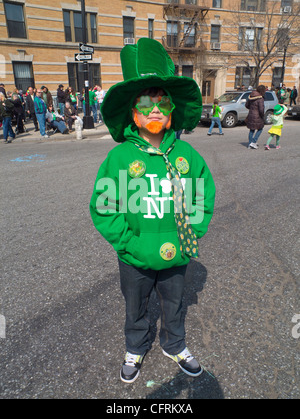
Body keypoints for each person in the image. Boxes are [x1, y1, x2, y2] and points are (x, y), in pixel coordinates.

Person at [90, 38, 216, 384]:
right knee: (136, 306)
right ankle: (135, 345)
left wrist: (193, 231)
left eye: (162, 102)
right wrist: (127, 243)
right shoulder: (119, 158)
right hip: (134, 257)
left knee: (175, 303)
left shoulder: (187, 156)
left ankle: (174, 344)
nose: (155, 109)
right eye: (145, 103)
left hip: (177, 253)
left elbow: (202, 195)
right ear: (133, 111)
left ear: (172, 110)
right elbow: (104, 206)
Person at [245, 85, 266, 149]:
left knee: (252, 130)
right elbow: (261, 109)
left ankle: (249, 144)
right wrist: (262, 115)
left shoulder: (251, 96)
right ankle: (253, 142)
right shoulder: (260, 98)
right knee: (260, 128)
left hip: (251, 114)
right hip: (258, 116)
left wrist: (252, 109)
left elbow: (246, 105)